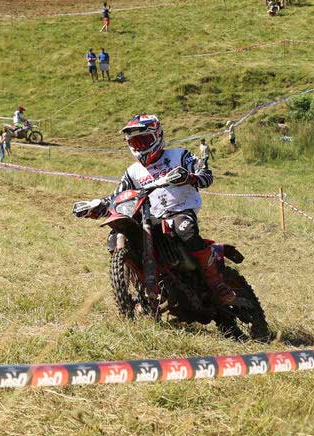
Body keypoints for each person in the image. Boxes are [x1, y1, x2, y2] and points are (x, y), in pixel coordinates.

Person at [75, 114, 234, 304]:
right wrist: (95, 206)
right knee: (117, 237)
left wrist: (190, 178)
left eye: (143, 140)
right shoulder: (133, 171)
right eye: (134, 142)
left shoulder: (179, 155)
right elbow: (116, 196)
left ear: (157, 136)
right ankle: (141, 294)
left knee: (185, 230)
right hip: (148, 218)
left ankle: (216, 283)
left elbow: (204, 173)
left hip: (179, 211)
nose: (139, 146)